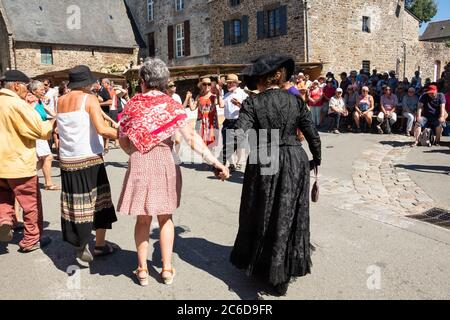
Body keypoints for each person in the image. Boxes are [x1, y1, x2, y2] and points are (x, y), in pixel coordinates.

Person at [117, 58, 229, 287]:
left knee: (143, 218)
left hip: (139, 160)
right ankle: (166, 269)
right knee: (165, 217)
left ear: (143, 81)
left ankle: (142, 270)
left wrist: (134, 151)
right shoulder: (171, 105)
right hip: (164, 161)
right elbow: (191, 138)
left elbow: (123, 139)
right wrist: (214, 161)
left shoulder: (132, 105)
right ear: (164, 81)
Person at [229, 54, 321, 297]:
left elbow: (238, 134)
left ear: (262, 79)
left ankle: (263, 266)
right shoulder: (296, 101)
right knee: (288, 213)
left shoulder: (253, 103)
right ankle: (281, 273)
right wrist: (317, 159)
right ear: (280, 77)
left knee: (262, 210)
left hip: (264, 155)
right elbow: (312, 133)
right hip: (294, 158)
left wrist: (223, 160)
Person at [56, 65, 119, 262]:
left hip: (67, 160)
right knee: (100, 202)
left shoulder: (60, 101)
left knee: (75, 204)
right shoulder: (89, 99)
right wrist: (125, 135)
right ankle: (98, 245)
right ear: (85, 83)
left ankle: (80, 242)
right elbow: (102, 129)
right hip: (89, 158)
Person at [0, 70, 54, 252]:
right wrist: (53, 123)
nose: (27, 91)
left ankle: (5, 220)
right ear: (17, 85)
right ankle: (31, 240)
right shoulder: (17, 104)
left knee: (4, 199)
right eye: (25, 87)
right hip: (19, 164)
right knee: (31, 205)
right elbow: (38, 129)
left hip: (1, 165)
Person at [28, 80, 60, 190]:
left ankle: (25, 176)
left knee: (42, 160)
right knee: (48, 157)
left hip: (41, 133)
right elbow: (28, 116)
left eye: (44, 89)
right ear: (33, 91)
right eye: (41, 89)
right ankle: (48, 183)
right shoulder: (31, 102)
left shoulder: (39, 101)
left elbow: (52, 112)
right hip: (37, 133)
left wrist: (59, 116)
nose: (43, 91)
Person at [220, 74, 249, 172]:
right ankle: (231, 164)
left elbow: (249, 108)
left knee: (240, 144)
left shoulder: (242, 93)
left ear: (236, 83)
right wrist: (218, 92)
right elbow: (221, 105)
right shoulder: (226, 95)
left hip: (239, 121)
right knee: (227, 143)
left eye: (231, 83)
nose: (228, 84)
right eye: (227, 83)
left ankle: (239, 163)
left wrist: (239, 104)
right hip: (227, 122)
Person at [186, 77, 222, 148]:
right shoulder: (199, 96)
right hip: (202, 122)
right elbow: (192, 108)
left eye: (209, 84)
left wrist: (218, 92)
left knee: (211, 143)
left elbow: (219, 103)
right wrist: (189, 98)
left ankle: (211, 157)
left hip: (211, 122)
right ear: (201, 86)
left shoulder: (214, 96)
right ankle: (206, 158)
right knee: (202, 144)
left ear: (211, 85)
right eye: (204, 84)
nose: (207, 86)